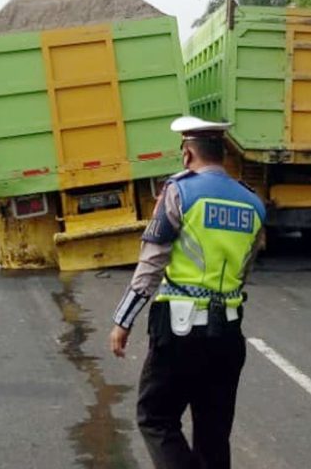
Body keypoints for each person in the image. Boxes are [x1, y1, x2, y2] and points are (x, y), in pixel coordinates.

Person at [110, 115, 266, 469]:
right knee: (213, 434)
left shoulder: (179, 191)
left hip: (179, 332)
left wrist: (123, 320)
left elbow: (151, 262)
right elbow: (245, 269)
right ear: (223, 153)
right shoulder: (252, 203)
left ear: (187, 154)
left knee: (156, 417)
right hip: (227, 333)